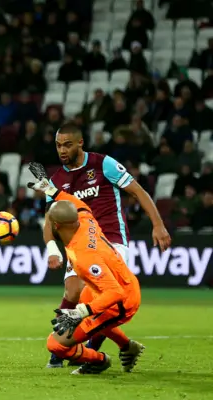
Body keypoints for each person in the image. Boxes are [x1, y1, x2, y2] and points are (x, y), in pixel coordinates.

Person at [43, 122, 170, 368]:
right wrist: (51, 247)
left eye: (67, 145)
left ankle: (91, 356)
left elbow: (138, 191)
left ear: (80, 143)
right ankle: (113, 347)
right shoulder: (56, 179)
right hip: (80, 241)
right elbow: (50, 217)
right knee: (72, 292)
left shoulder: (103, 164)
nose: (62, 150)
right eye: (58, 145)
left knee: (103, 299)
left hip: (111, 239)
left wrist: (158, 224)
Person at [28, 162, 145, 375]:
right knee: (82, 297)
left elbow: (114, 293)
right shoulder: (84, 214)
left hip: (122, 301)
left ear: (56, 226)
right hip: (115, 282)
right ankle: (127, 346)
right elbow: (67, 199)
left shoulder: (83, 256)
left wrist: (79, 313)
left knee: (56, 344)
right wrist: (48, 188)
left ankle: (99, 360)